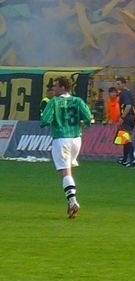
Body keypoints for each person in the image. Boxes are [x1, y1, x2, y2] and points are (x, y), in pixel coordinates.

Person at [39, 75, 92, 219]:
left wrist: (49, 120)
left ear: (63, 87)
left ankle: (73, 201)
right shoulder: (78, 101)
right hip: (76, 139)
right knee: (67, 172)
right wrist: (80, 125)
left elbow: (44, 121)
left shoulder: (54, 102)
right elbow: (88, 118)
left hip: (61, 138)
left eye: (56, 86)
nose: (53, 88)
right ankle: (70, 203)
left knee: (65, 173)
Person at [115, 76, 135, 166]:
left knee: (127, 139)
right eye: (117, 84)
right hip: (131, 117)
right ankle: (124, 159)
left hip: (127, 118)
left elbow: (128, 106)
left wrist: (122, 117)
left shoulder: (124, 94)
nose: (117, 86)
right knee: (124, 138)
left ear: (123, 84)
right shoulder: (128, 93)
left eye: (119, 84)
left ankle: (132, 160)